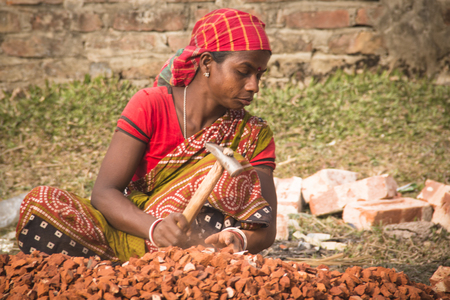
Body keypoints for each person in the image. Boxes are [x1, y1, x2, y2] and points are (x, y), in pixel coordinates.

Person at [16, 8, 278, 262]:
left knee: (225, 173)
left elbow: (266, 228)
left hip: (197, 245)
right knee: (42, 204)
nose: (254, 85)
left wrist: (238, 239)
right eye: (244, 72)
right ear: (207, 63)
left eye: (259, 74)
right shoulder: (150, 105)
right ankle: (133, 268)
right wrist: (155, 228)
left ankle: (146, 269)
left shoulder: (254, 134)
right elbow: (105, 192)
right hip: (133, 230)